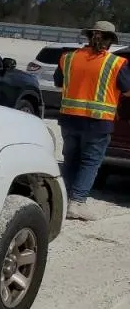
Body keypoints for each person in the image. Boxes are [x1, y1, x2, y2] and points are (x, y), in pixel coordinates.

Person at [53, 20, 130, 220]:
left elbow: (58, 83)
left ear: (88, 36)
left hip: (69, 119)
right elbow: (128, 90)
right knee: (90, 162)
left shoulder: (67, 58)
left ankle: (65, 200)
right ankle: (77, 202)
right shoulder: (116, 63)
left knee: (71, 160)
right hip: (98, 122)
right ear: (111, 41)